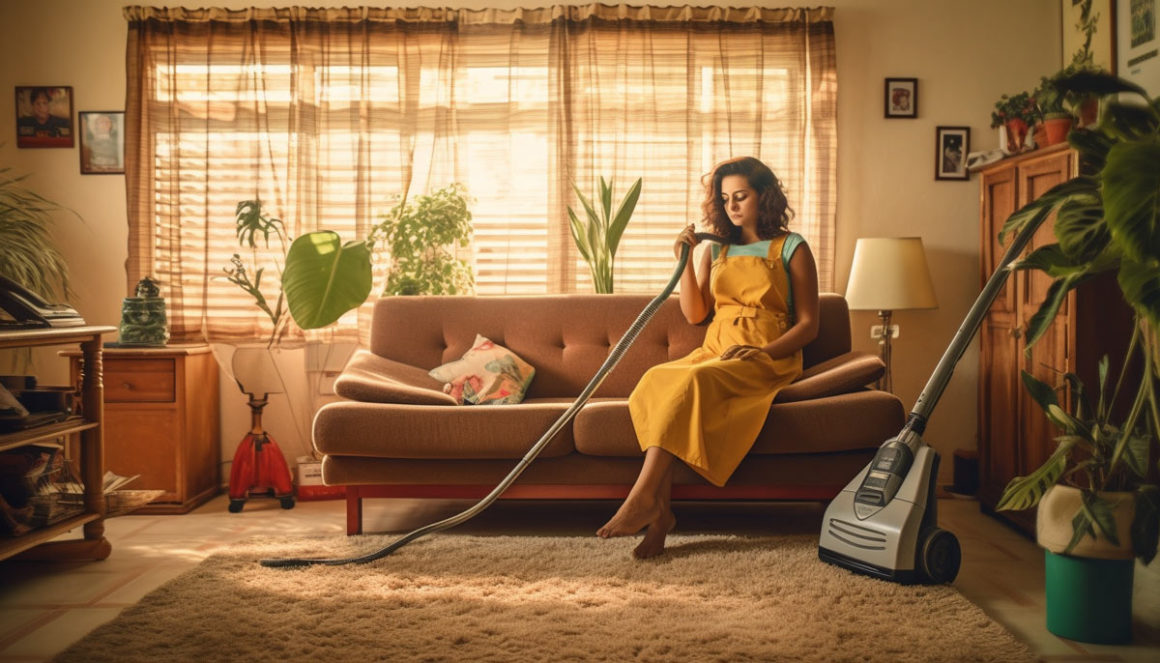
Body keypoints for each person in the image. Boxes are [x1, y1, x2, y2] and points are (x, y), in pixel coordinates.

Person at [596, 156, 820, 559]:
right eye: (725, 198)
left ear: (764, 196)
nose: (732, 206)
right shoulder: (715, 250)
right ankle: (661, 514)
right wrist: (684, 258)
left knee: (694, 382)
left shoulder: (791, 246)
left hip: (766, 355)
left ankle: (644, 498)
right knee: (654, 380)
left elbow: (809, 325)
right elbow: (696, 314)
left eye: (742, 196)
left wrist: (762, 352)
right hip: (716, 349)